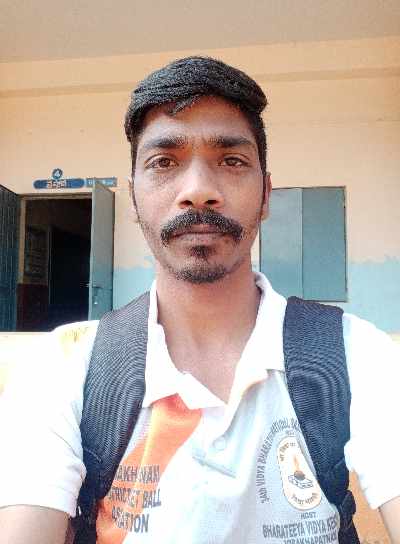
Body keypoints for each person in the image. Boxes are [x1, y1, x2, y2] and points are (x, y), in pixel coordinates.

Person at [0, 56, 399, 544]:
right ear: (134, 197)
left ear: (266, 195)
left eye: (231, 161)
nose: (198, 191)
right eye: (164, 162)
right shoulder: (67, 367)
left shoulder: (356, 354)